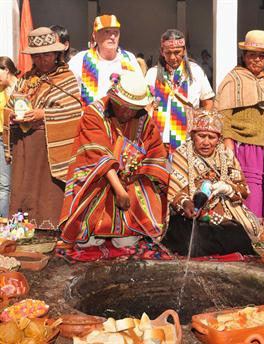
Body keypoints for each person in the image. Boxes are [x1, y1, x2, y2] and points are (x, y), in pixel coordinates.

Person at [59, 70, 169, 248]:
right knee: (87, 242)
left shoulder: (143, 120)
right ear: (114, 99)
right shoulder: (93, 114)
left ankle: (126, 228)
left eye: (133, 108)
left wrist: (132, 177)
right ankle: (90, 227)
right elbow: (99, 155)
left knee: (126, 241)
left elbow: (155, 154)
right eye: (123, 106)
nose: (127, 112)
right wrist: (119, 189)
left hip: (127, 182)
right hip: (97, 176)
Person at [215, 30, 264, 231]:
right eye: (252, 55)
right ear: (244, 56)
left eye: (261, 56)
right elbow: (222, 115)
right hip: (246, 144)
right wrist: (228, 143)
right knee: (251, 190)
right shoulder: (233, 80)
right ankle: (250, 230)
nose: (257, 60)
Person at [3, 27, 82, 229]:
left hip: (49, 149)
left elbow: (74, 112)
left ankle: (49, 227)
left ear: (57, 54)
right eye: (36, 56)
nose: (41, 60)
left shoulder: (67, 79)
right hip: (24, 147)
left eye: (46, 55)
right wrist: (11, 114)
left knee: (46, 190)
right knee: (22, 186)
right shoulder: (27, 79)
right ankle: (23, 227)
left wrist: (43, 114)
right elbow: (10, 104)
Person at [162, 109, 257, 257]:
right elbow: (174, 192)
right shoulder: (180, 156)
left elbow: (243, 191)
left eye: (211, 137)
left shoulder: (226, 156)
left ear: (218, 139)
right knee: (191, 243)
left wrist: (228, 189)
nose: (206, 142)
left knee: (239, 239)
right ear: (193, 136)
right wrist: (187, 204)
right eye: (201, 136)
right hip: (189, 216)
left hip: (221, 217)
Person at [146, 29, 214, 153]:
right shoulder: (152, 74)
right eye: (168, 53)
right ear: (162, 51)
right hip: (157, 141)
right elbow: (146, 106)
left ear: (184, 51)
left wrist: (200, 127)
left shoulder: (196, 72)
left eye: (177, 52)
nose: (172, 57)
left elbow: (208, 102)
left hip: (188, 141)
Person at [68, 14, 142, 109]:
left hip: (122, 120)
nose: (112, 36)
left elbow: (140, 90)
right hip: (90, 120)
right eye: (107, 32)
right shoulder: (80, 59)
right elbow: (68, 92)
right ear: (95, 35)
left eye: (116, 32)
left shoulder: (129, 59)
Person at [0, 57, 19, 217]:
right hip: (2, 138)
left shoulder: (24, 86)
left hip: (20, 137)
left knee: (18, 179)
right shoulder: (1, 90)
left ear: (6, 69)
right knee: (4, 183)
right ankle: (4, 219)